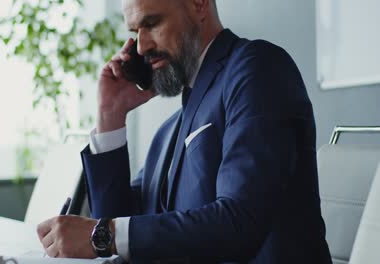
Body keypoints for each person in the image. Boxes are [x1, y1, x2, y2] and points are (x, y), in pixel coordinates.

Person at [37, 0, 332, 263]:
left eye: (151, 23)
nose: (140, 47)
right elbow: (121, 223)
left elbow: (240, 222)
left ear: (199, 5)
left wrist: (103, 234)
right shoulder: (170, 131)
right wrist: (110, 116)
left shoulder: (257, 68)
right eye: (134, 32)